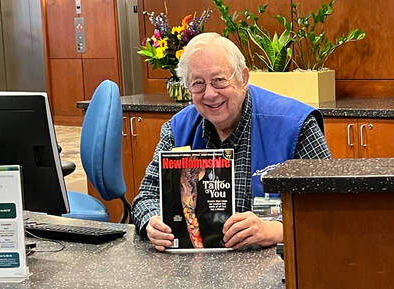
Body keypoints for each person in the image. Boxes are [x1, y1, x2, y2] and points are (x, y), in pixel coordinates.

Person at [131, 32, 331, 251]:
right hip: (196, 269)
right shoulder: (178, 129)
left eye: (219, 80)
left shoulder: (296, 125)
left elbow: (329, 210)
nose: (210, 94)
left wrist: (276, 231)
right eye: (198, 83)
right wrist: (152, 223)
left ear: (243, 78)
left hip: (276, 266)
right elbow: (145, 198)